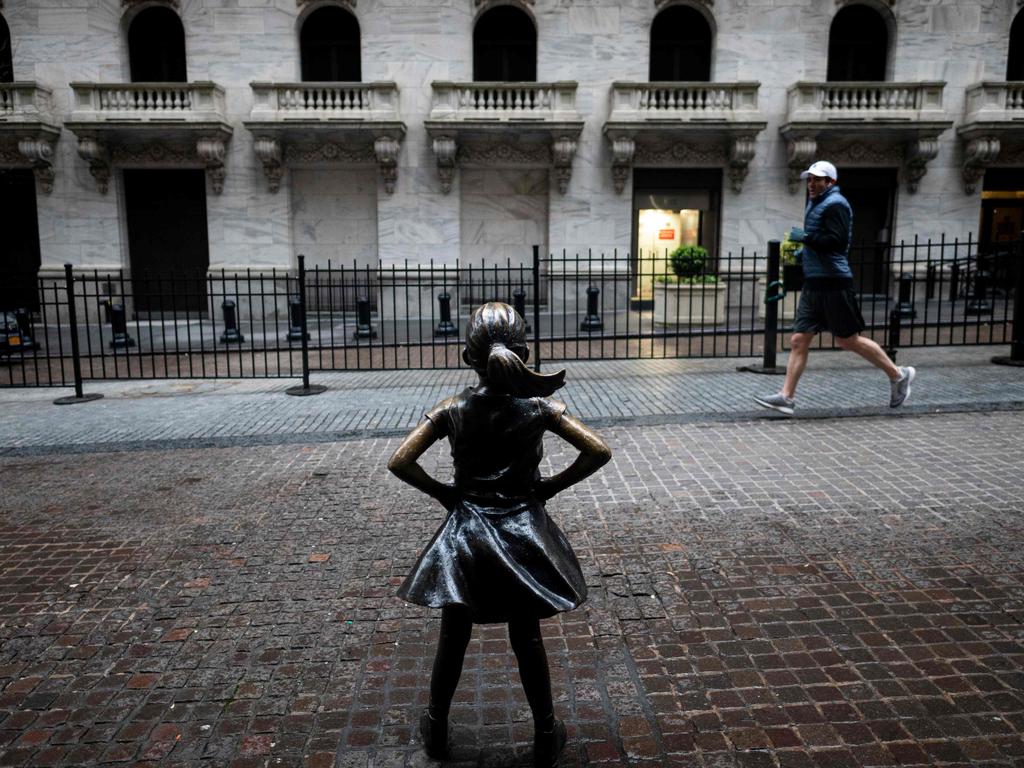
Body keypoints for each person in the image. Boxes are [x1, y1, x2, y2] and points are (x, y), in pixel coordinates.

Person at [388, 302, 611, 767]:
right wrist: (547, 488)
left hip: (466, 532)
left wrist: (446, 495)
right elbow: (597, 450)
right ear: (524, 352)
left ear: (468, 357)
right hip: (522, 531)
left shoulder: (452, 409)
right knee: (525, 633)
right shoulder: (539, 408)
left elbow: (401, 461)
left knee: (454, 633)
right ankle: (546, 731)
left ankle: (437, 727)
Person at [754, 160, 915, 416]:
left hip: (834, 282)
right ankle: (786, 397)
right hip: (814, 282)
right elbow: (821, 241)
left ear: (830, 182)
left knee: (847, 340)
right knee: (798, 340)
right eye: (809, 179)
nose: (811, 184)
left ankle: (898, 375)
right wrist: (802, 250)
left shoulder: (836, 204)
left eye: (817, 179)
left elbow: (837, 243)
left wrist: (806, 238)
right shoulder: (816, 202)